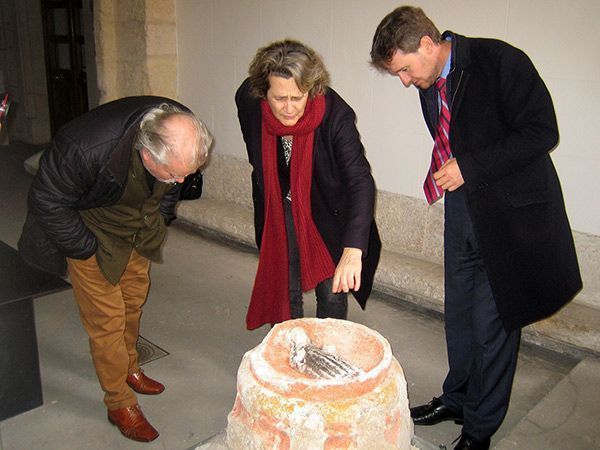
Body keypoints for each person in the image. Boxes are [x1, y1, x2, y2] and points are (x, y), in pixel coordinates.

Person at [370, 6, 581, 450]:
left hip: (509, 218)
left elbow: (542, 132)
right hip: (463, 210)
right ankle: (458, 398)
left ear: (427, 44)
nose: (406, 82)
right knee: (460, 318)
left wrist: (471, 165)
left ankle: (480, 429)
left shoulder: (500, 61)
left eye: (405, 70)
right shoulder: (431, 80)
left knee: (494, 326)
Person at [18, 96, 211, 442]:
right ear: (147, 155)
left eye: (187, 172)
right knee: (106, 320)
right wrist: (85, 249)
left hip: (138, 228)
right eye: (174, 173)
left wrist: (162, 212)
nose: (182, 181)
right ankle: (119, 401)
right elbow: (47, 201)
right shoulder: (83, 147)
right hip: (90, 231)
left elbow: (171, 187)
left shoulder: (179, 128)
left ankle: (130, 367)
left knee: (133, 302)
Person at [236, 39, 381, 330]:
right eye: (279, 99)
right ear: (264, 93)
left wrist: (353, 249)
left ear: (311, 89)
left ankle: (329, 348)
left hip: (328, 207)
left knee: (331, 287)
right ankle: (291, 343)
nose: (289, 108)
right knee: (285, 276)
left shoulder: (336, 116)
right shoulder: (249, 102)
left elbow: (360, 181)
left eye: (297, 97)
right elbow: (256, 154)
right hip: (279, 202)